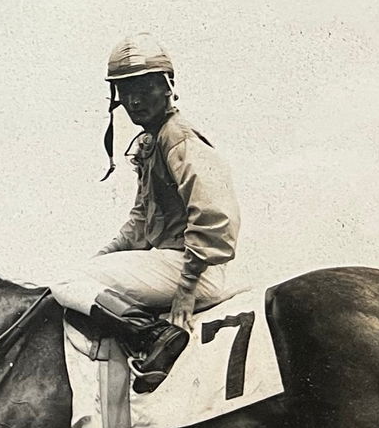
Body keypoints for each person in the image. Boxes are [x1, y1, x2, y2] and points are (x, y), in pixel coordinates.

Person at [48, 37, 240, 392]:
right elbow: (138, 226)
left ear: (166, 86)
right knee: (74, 279)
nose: (133, 101)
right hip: (180, 265)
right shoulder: (152, 142)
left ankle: (155, 337)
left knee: (63, 282)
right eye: (125, 91)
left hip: (194, 271)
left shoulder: (177, 137)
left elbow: (217, 215)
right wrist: (98, 262)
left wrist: (186, 288)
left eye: (143, 88)